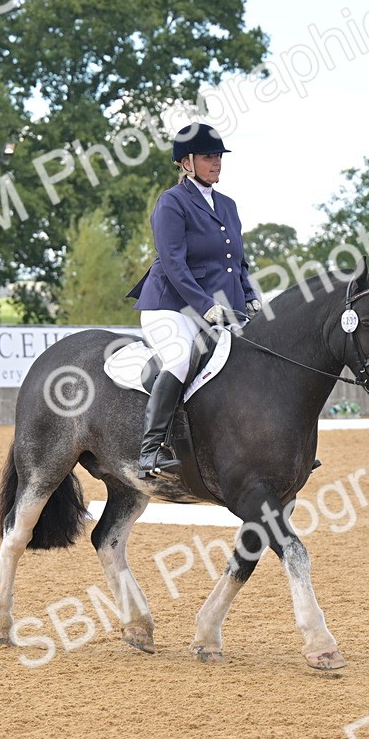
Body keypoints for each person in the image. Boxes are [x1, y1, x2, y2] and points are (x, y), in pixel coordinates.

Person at [125, 123, 261, 479]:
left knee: (256, 357)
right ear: (186, 162)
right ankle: (151, 449)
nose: (216, 163)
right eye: (208, 157)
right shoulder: (172, 202)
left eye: (218, 156)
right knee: (181, 356)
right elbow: (173, 263)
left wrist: (249, 297)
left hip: (219, 307)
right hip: (170, 305)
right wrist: (204, 306)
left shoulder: (228, 205)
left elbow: (237, 261)